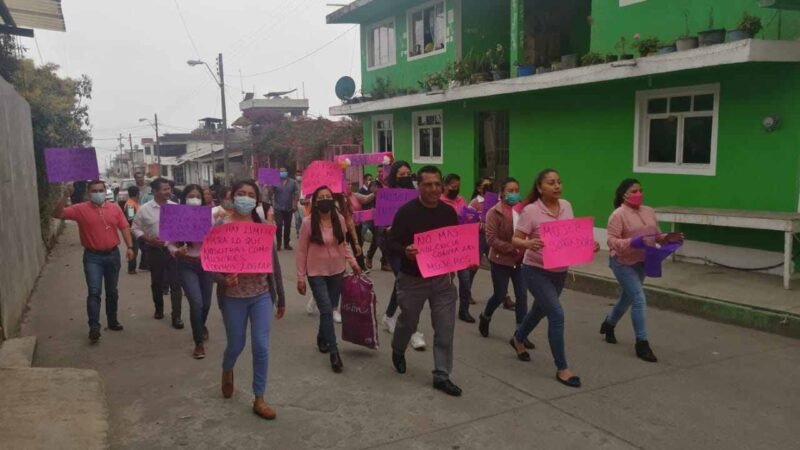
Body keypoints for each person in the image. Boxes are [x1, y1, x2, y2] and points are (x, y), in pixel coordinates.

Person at [510, 169, 599, 388]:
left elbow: (571, 236)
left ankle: (518, 338)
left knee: (539, 311)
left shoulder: (567, 205)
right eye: (551, 183)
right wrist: (528, 244)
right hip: (535, 270)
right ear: (540, 187)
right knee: (556, 315)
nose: (557, 186)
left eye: (559, 182)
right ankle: (562, 368)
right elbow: (515, 239)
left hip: (560, 271)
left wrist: (589, 244)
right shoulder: (530, 211)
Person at [388, 166, 465, 396]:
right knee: (408, 322)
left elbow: (455, 244)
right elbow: (390, 243)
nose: (433, 189)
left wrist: (464, 261)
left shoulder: (448, 213)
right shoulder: (406, 212)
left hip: (442, 280)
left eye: (436, 184)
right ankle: (398, 348)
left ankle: (442, 375)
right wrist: (405, 250)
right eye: (427, 184)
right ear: (418, 186)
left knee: (445, 328)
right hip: (413, 280)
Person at [217, 180, 286, 420]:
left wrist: (281, 297)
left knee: (261, 345)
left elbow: (273, 265)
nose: (245, 198)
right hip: (233, 297)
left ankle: (259, 397)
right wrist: (223, 279)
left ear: (256, 200)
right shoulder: (220, 225)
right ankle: (227, 368)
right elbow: (209, 264)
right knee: (236, 344)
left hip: (261, 295)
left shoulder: (262, 226)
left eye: (250, 195)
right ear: (232, 197)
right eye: (240, 193)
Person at [601, 178, 683, 363]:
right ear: (624, 195)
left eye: (641, 190)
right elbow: (611, 241)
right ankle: (642, 343)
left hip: (643, 261)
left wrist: (668, 239)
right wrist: (632, 242)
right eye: (634, 191)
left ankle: (609, 323)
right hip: (622, 262)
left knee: (627, 298)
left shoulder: (649, 211)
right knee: (638, 298)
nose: (639, 194)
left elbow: (656, 235)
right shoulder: (618, 215)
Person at [52, 180, 135, 343]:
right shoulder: (80, 209)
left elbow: (124, 227)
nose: (98, 193)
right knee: (94, 291)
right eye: (94, 191)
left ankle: (112, 321)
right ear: (89, 193)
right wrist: (65, 196)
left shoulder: (114, 209)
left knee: (112, 291)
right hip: (92, 257)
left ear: (106, 191)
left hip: (112, 255)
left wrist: (130, 247)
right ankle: (94, 326)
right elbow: (57, 214)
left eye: (100, 190)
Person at [296, 186, 361, 373]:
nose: (325, 199)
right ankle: (334, 352)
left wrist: (353, 263)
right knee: (326, 310)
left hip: (337, 271)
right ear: (315, 202)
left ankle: (321, 336)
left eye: (328, 196)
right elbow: (301, 251)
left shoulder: (339, 219)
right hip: (316, 272)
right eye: (321, 197)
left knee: (330, 308)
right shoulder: (308, 223)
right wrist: (300, 277)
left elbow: (343, 244)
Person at [477, 178, 534, 347]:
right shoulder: (494, 213)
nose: (515, 194)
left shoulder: (523, 211)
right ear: (502, 193)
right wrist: (513, 248)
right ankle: (486, 316)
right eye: (511, 190)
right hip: (501, 260)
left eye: (517, 190)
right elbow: (491, 239)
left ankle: (520, 334)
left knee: (522, 296)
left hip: (520, 261)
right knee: (500, 294)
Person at [380, 161, 426, 351]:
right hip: (394, 246)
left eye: (408, 173)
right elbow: (380, 224)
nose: (406, 176)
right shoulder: (386, 195)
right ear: (394, 176)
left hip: (413, 245)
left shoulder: (417, 195)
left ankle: (389, 316)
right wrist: (388, 228)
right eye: (401, 174)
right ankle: (412, 331)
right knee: (405, 282)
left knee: (401, 283)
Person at [168, 185, 214, 359]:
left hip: (207, 264)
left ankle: (200, 326)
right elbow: (170, 243)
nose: (194, 199)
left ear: (202, 199)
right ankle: (198, 343)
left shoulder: (211, 216)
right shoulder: (176, 217)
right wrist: (176, 251)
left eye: (197, 196)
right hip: (187, 264)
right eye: (190, 196)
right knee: (196, 302)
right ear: (184, 198)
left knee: (207, 304)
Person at [132, 178, 185, 329]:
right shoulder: (144, 209)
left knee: (176, 284)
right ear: (155, 191)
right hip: (155, 251)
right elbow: (135, 228)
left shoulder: (176, 207)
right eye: (164, 189)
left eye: (169, 189)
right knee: (157, 282)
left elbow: (184, 228)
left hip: (173, 251)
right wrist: (148, 239)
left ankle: (177, 317)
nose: (168, 192)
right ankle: (159, 309)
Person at [440, 174, 477, 323]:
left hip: (462, 247)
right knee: (445, 283)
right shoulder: (440, 202)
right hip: (447, 247)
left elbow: (467, 217)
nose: (456, 189)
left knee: (466, 280)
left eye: (458, 186)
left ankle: (464, 310)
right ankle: (443, 310)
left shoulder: (461, 200)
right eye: (453, 187)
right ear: (445, 186)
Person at [271, 167, 299, 251]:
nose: (282, 173)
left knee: (287, 226)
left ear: (287, 172)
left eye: (284, 171)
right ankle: (279, 244)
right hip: (278, 207)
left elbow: (296, 193)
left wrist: (294, 204)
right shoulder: (275, 182)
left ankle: (286, 243)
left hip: (289, 207)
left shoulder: (293, 182)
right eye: (281, 171)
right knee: (278, 225)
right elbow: (270, 193)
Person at [123, 186, 141, 275]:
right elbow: (130, 218)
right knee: (134, 249)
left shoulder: (134, 202)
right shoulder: (130, 204)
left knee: (136, 249)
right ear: (137, 193)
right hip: (132, 230)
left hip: (134, 229)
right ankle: (131, 268)